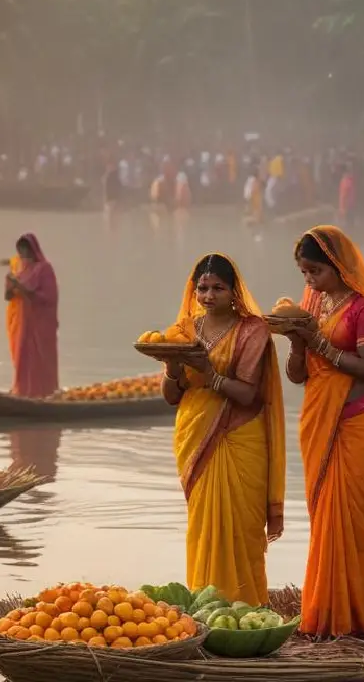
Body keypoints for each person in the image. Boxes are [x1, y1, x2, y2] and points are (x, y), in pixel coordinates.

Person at [285, 227, 364, 640]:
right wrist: (296, 343)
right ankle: (330, 617)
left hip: (361, 425)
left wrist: (318, 342)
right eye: (304, 272)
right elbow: (298, 376)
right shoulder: (312, 305)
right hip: (321, 423)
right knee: (327, 524)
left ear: (338, 266)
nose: (309, 281)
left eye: (315, 271)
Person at [161, 253, 285, 606]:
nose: (209, 295)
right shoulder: (183, 332)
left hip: (240, 437)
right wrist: (173, 367)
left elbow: (249, 393)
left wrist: (210, 373)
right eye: (203, 288)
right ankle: (206, 609)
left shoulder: (253, 330)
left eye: (218, 287)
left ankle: (247, 611)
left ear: (234, 292)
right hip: (196, 434)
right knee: (203, 530)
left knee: (242, 534)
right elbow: (172, 396)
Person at [5, 234, 59, 397]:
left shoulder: (44, 268)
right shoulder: (19, 270)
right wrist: (10, 285)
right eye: (19, 250)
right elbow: (9, 297)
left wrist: (22, 288)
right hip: (22, 323)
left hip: (39, 324)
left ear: (32, 249)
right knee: (22, 358)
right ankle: (22, 391)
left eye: (24, 249)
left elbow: (49, 296)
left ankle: (42, 393)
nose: (22, 253)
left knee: (39, 359)